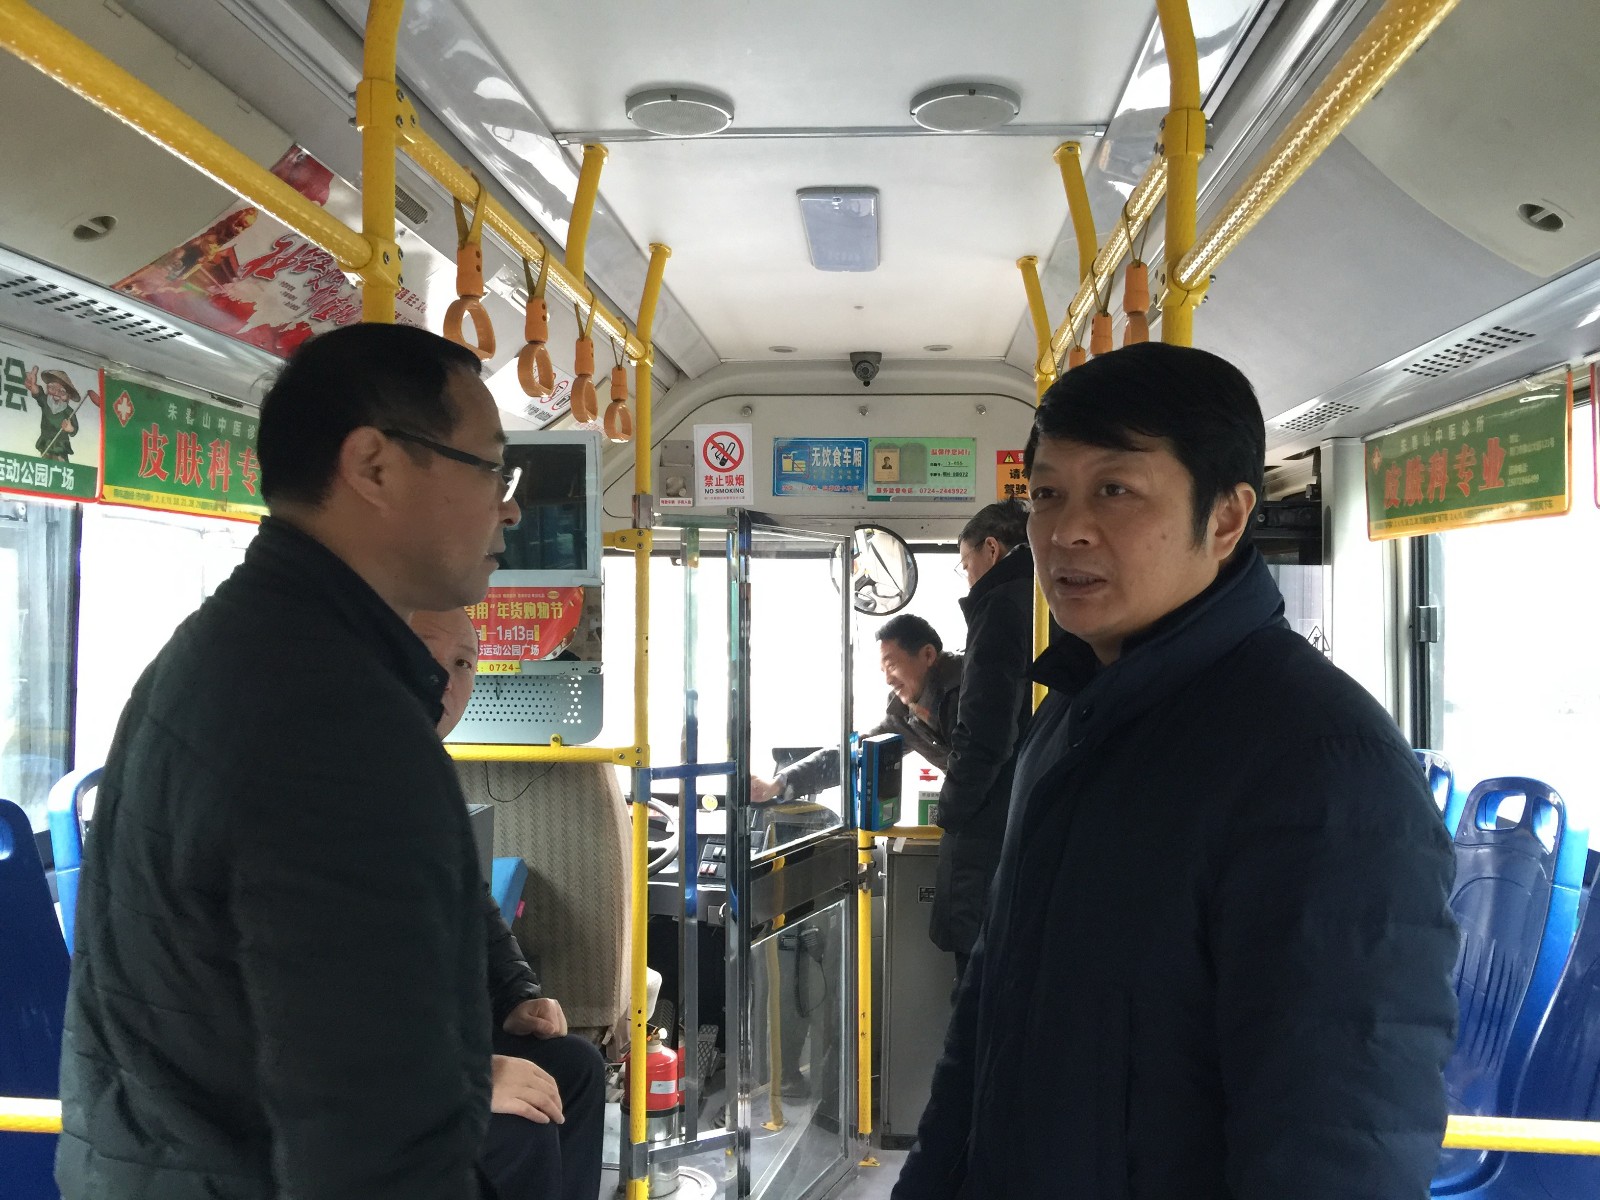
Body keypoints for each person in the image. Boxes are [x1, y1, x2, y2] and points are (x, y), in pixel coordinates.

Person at [893, 342, 1459, 1199]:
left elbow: (1336, 1144)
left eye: (1115, 490)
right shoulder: (1069, 716)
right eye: (1047, 494)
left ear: (1226, 519)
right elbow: (987, 1022)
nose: (1065, 530)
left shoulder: (1323, 768)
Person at [57, 324, 521, 1200]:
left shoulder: (222, 648)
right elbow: (375, 1133)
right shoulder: (335, 723)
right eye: (492, 469)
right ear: (374, 466)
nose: (509, 508)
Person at [409, 607, 606, 1200]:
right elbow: (333, 984)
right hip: (347, 1070)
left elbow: (473, 906)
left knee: (575, 1068)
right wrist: (466, 1077)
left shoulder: (423, 771)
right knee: (521, 1129)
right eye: (427, 654)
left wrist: (518, 995)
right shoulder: (336, 779)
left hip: (424, 1043)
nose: (446, 680)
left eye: (463, 663)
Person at [933, 499, 1034, 983]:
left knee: (977, 982)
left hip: (990, 825)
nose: (968, 576)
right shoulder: (1046, 596)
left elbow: (984, 728)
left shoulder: (999, 607)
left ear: (991, 549)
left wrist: (950, 809)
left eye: (965, 562)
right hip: (1026, 811)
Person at [750, 612, 960, 803]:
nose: (888, 680)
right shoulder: (904, 715)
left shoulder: (972, 686)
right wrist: (776, 785)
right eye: (883, 670)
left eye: (892, 665)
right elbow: (852, 753)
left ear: (928, 655)